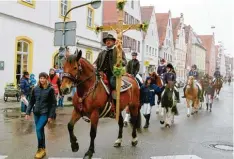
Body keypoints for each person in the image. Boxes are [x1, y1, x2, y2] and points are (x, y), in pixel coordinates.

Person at [93, 34, 127, 115]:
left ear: (113, 42)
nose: (108, 41)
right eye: (106, 40)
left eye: (110, 40)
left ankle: (114, 107)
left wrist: (120, 62)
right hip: (101, 74)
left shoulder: (118, 50)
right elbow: (96, 62)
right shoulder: (102, 52)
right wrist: (93, 66)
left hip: (113, 74)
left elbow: (125, 62)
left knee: (112, 84)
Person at [25, 72, 56, 159]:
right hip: (36, 113)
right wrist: (27, 112)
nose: (42, 79)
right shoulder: (35, 89)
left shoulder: (50, 89)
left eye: (43, 78)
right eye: (40, 78)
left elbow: (53, 104)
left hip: (45, 113)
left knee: (38, 129)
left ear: (47, 79)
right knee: (40, 131)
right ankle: (43, 149)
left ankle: (39, 149)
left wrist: (51, 115)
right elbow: (31, 102)